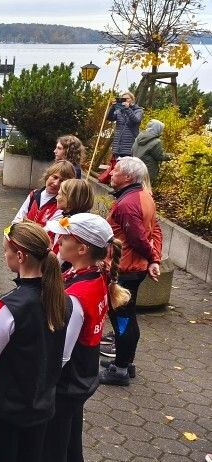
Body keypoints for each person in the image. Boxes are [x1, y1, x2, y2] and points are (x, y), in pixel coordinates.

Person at [0, 221, 73, 462]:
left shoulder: (7, 306)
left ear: (21, 256)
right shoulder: (64, 300)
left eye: (6, 251)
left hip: (2, 411)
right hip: (41, 407)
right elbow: (61, 355)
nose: (5, 256)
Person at [44, 213, 130, 462]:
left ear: (82, 248)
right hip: (83, 372)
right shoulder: (95, 273)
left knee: (54, 446)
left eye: (65, 237)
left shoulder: (77, 295)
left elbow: (62, 353)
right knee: (70, 439)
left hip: (67, 380)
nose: (59, 239)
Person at [100, 156, 162, 386]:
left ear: (127, 177)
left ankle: (121, 369)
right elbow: (155, 230)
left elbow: (137, 239)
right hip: (132, 267)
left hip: (124, 269)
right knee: (126, 316)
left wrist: (153, 258)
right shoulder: (144, 196)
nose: (111, 173)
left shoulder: (128, 204)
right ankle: (125, 361)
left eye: (115, 171)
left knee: (122, 318)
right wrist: (154, 259)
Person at [12, 160, 76, 227]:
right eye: (55, 177)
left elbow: (49, 232)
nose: (56, 183)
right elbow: (18, 219)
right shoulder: (34, 194)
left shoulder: (62, 205)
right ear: (48, 175)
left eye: (62, 181)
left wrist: (26, 224)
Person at [132, 119, 171, 185]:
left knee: (134, 187)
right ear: (158, 129)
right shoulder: (156, 142)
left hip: (135, 167)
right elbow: (159, 156)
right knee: (144, 190)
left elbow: (132, 150)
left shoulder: (139, 137)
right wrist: (171, 156)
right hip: (147, 170)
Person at [107, 91, 143, 164]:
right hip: (118, 144)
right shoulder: (119, 110)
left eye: (127, 98)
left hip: (129, 145)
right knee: (116, 167)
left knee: (126, 168)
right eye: (123, 99)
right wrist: (112, 107)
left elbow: (136, 120)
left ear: (132, 100)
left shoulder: (138, 110)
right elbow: (110, 118)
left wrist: (127, 109)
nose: (125, 100)